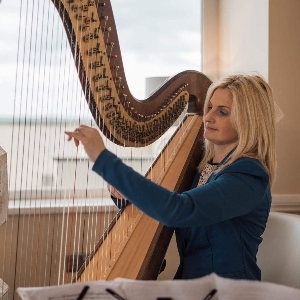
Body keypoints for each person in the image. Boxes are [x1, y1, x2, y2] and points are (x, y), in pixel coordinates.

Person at [65, 73, 276, 281]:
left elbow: (178, 209)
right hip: (192, 285)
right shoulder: (202, 168)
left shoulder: (248, 176)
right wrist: (124, 194)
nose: (208, 117)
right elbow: (161, 206)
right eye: (209, 107)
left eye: (222, 112)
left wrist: (103, 159)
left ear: (248, 121)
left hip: (228, 292)